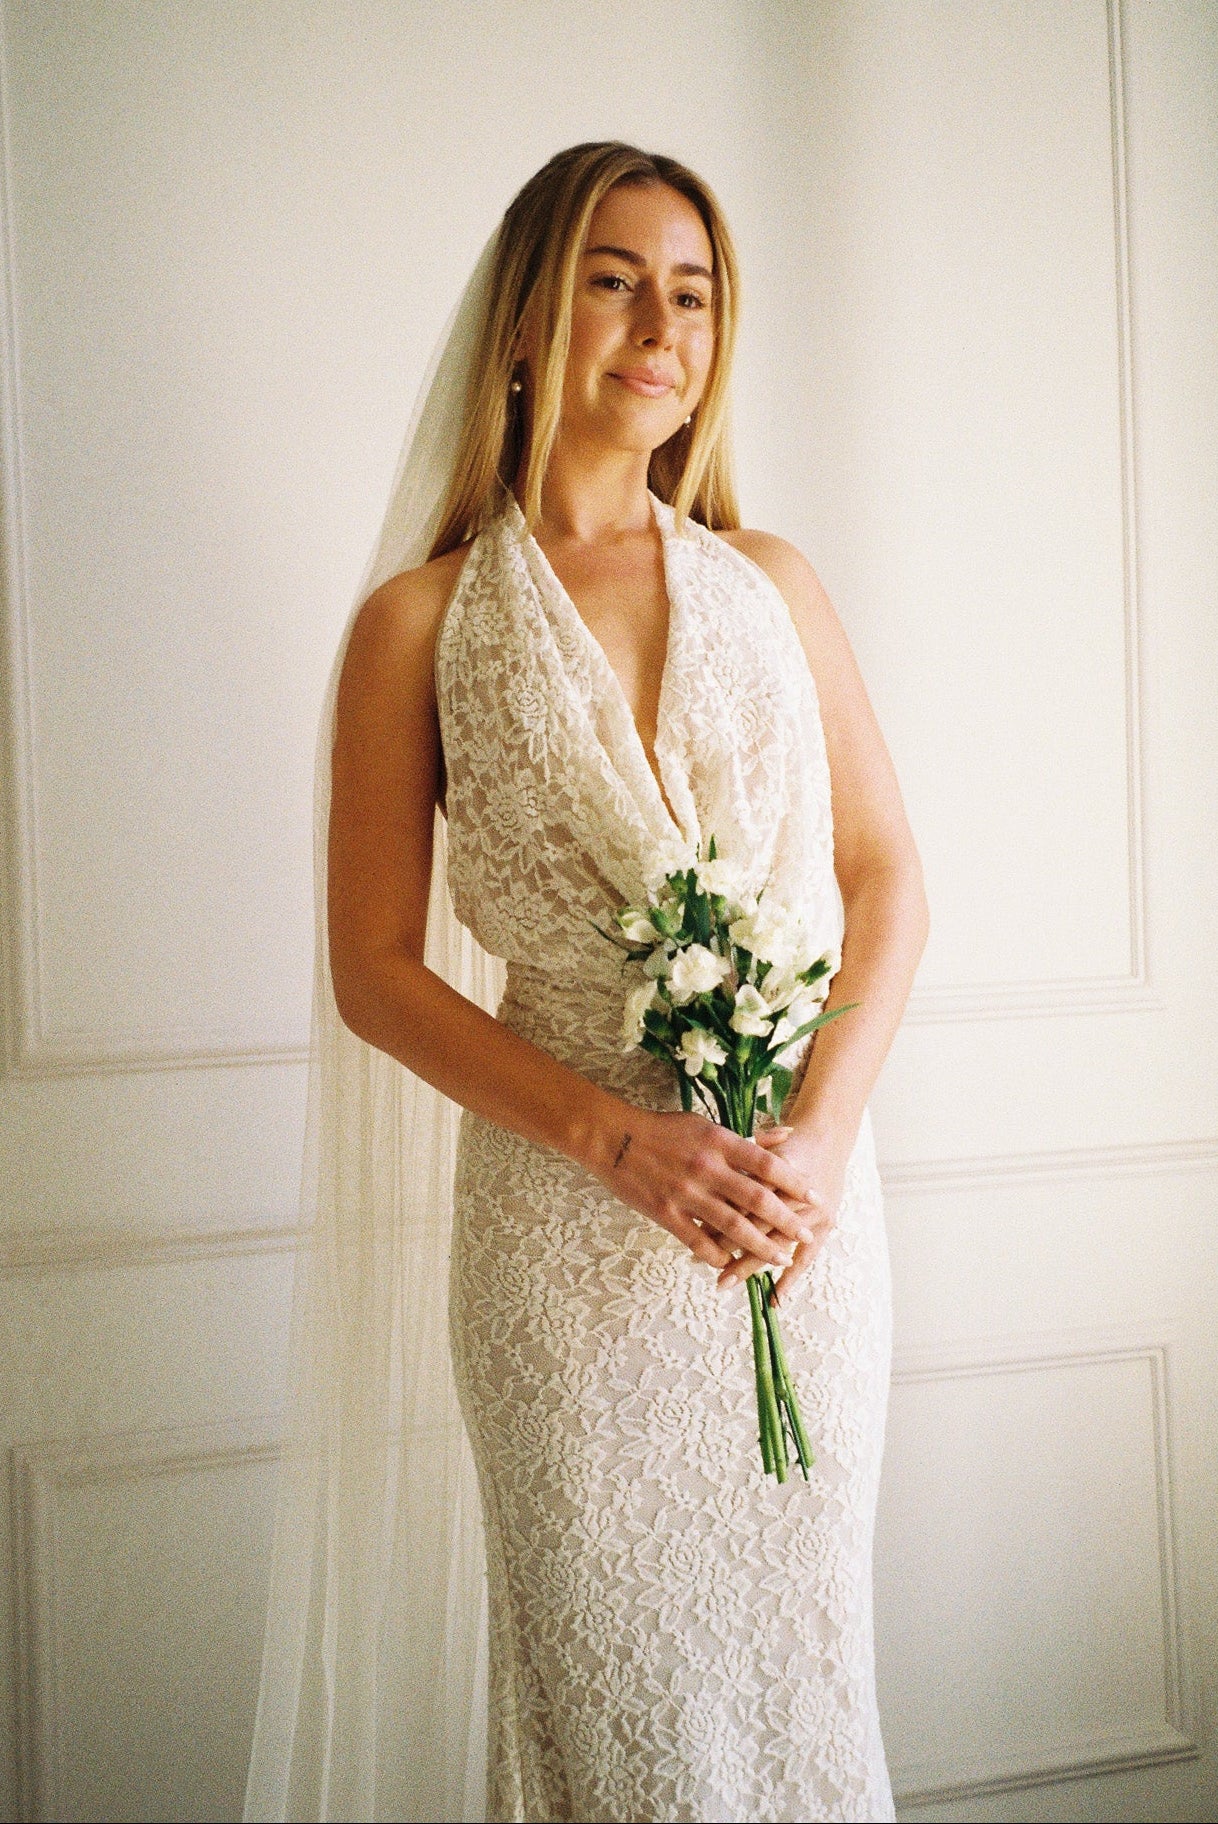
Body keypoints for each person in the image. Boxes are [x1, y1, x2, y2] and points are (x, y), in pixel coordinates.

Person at [245, 141, 928, 1824]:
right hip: (560, 1259)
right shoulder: (417, 625)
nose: (658, 321)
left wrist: (821, 1145)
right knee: (611, 1712)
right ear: (529, 323)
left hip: (794, 1229)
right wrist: (614, 1141)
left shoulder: (768, 583)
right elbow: (376, 972)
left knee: (800, 1694)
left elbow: (887, 881)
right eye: (614, 278)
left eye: (690, 291)